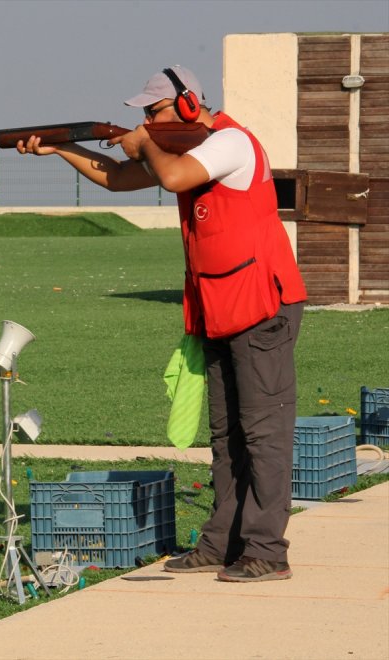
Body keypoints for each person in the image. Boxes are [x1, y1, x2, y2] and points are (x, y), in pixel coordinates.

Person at [17, 66, 307, 582]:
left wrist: (144, 143)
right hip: (221, 309)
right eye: (145, 114)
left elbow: (170, 176)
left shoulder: (230, 143)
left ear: (190, 106)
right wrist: (61, 148)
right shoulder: (187, 151)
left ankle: (267, 551)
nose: (148, 121)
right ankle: (223, 541)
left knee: (263, 435)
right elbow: (116, 177)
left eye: (155, 111)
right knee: (226, 436)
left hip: (262, 307)